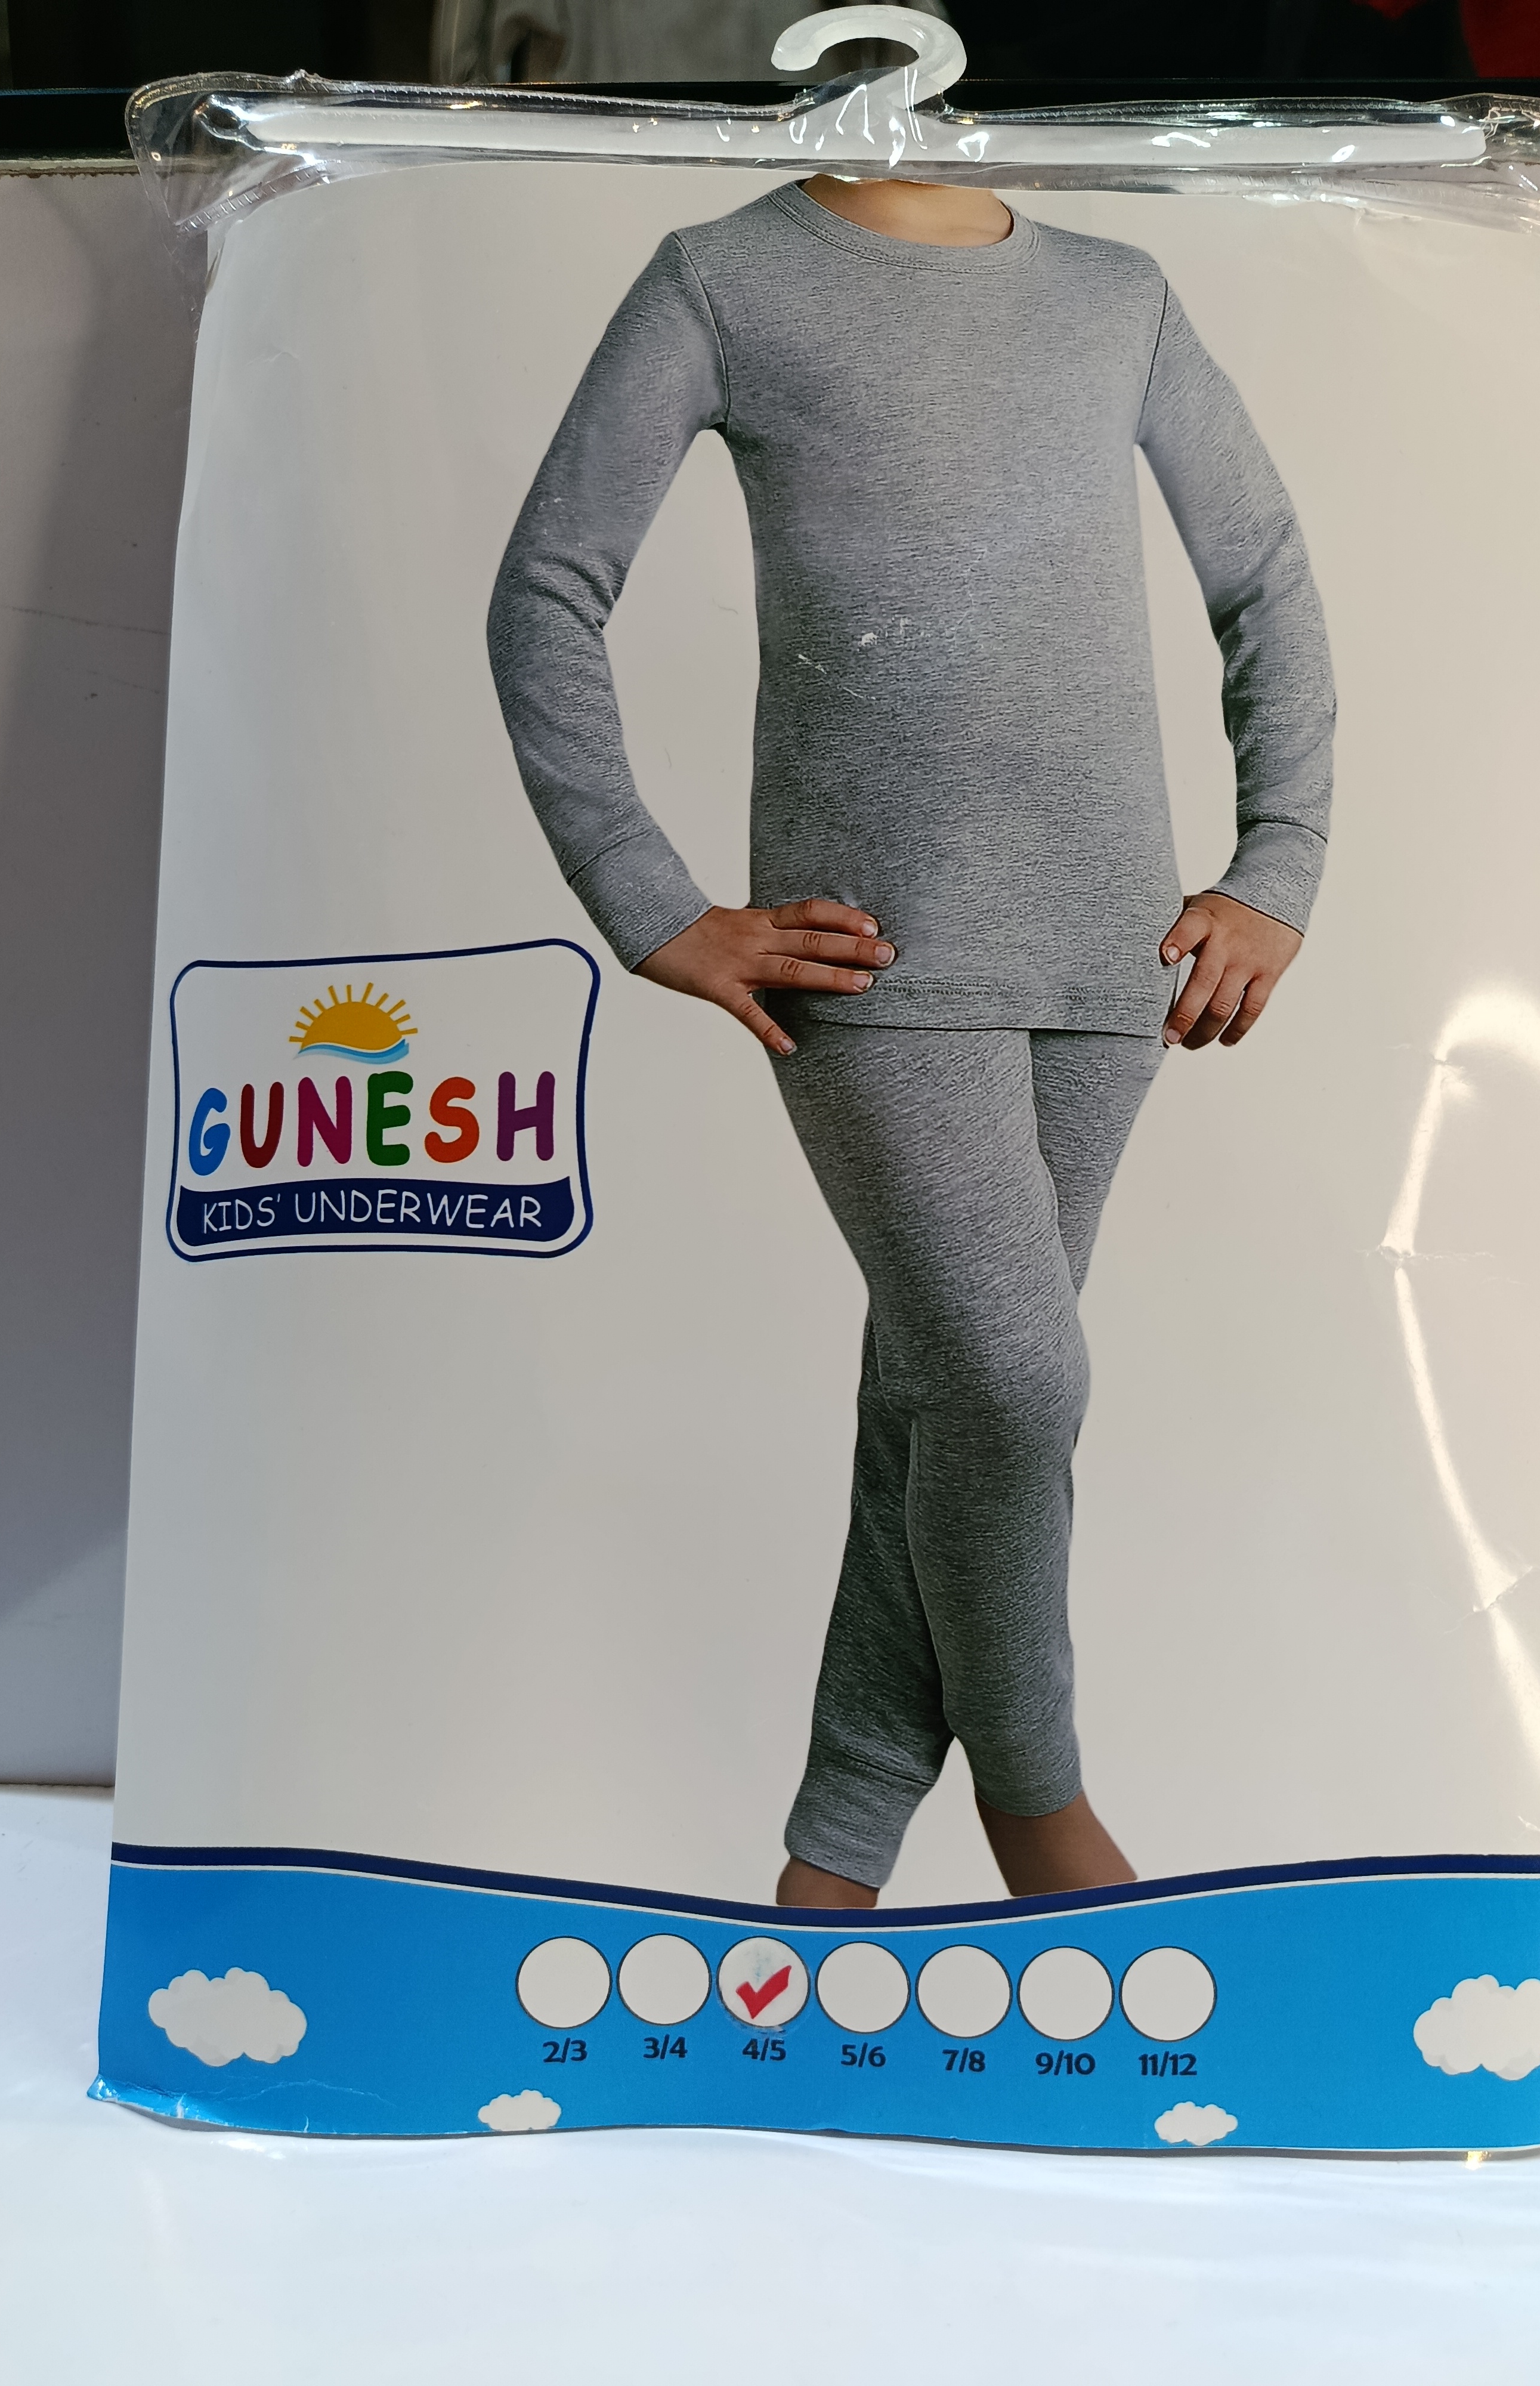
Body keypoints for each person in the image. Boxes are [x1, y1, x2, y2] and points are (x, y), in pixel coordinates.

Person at [488, 172, 1334, 1907]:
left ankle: (829, 1882)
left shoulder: (1116, 293)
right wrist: (649, 898)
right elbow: (547, 590)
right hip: (869, 955)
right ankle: (1044, 1821)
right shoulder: (724, 281)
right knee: (1016, 1383)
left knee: (940, 1403)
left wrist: (1278, 865)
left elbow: (1264, 575)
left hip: (1113, 959)